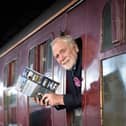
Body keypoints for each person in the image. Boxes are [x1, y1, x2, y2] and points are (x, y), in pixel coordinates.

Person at [34, 35, 82, 111]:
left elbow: (91, 96)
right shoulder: (69, 69)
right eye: (57, 56)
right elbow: (73, 99)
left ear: (75, 47)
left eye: (63, 51)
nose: (61, 58)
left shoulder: (87, 61)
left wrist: (59, 99)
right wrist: (51, 100)